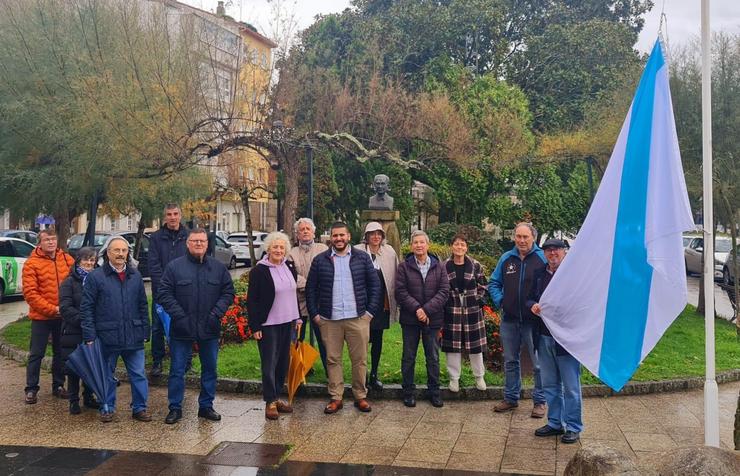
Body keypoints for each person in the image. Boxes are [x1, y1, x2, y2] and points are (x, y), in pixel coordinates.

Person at [158, 228, 235, 424]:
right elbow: (164, 293)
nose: (199, 244)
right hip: (182, 328)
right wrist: (179, 316)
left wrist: (216, 314)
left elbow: (228, 293)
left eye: (202, 241)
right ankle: (175, 408)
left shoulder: (218, 268)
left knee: (210, 369)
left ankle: (206, 406)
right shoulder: (174, 267)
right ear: (188, 243)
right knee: (177, 370)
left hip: (209, 327)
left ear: (207, 244)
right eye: (195, 241)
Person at [306, 221, 381, 414]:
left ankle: (360, 396)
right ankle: (336, 396)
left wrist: (369, 313)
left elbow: (375, 286)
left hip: (358, 318)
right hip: (330, 320)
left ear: (348, 237)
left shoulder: (362, 258)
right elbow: (311, 290)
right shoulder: (320, 260)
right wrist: (315, 315)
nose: (339, 239)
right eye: (335, 235)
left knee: (360, 359)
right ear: (331, 238)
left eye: (342, 235)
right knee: (333, 359)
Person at [81, 236, 151, 423]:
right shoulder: (96, 277)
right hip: (107, 336)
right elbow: (86, 308)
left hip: (133, 336)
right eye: (117, 250)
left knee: (138, 374)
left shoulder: (135, 275)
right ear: (107, 253)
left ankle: (140, 408)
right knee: (106, 374)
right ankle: (107, 407)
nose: (121, 254)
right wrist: (89, 336)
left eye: (124, 250)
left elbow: (143, 305)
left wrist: (146, 330)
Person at [488, 223, 547, 417]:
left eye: (525, 237)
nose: (521, 240)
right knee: (511, 360)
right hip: (510, 319)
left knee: (538, 363)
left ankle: (540, 401)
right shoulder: (506, 258)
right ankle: (511, 398)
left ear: (533, 238)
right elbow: (494, 282)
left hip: (534, 321)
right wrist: (500, 301)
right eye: (518, 236)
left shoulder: (541, 259)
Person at [527, 238, 582, 444]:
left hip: (566, 340)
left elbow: (581, 302)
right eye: (548, 250)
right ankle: (555, 423)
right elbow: (529, 298)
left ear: (564, 252)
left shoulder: (573, 275)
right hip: (543, 336)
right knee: (550, 384)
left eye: (556, 250)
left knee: (571, 387)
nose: (552, 254)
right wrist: (532, 305)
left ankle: (574, 426)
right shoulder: (539, 274)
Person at [247, 232, 302, 420]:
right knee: (269, 363)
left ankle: (277, 396)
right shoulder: (259, 271)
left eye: (281, 247)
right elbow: (252, 301)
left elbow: (293, 295)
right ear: (268, 249)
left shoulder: (289, 266)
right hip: (268, 324)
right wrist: (255, 326)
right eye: (275, 247)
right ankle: (270, 401)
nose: (278, 250)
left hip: (288, 322)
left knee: (282, 363)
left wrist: (298, 319)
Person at [396, 230, 449, 408]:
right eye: (415, 242)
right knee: (408, 356)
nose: (419, 245)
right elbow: (400, 292)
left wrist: (426, 310)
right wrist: (417, 309)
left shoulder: (439, 266)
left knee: (432, 356)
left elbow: (444, 292)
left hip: (433, 319)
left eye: (422, 242)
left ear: (428, 244)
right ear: (412, 246)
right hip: (410, 319)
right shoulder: (404, 266)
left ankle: (434, 392)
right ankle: (408, 392)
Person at [21, 228, 74, 404]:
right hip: (41, 317)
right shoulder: (31, 263)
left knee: (60, 352)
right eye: (46, 240)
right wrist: (53, 309)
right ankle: (31, 388)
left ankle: (58, 385)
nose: (50, 242)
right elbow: (30, 294)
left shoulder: (66, 259)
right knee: (37, 353)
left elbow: (77, 278)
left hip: (63, 317)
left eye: (53, 239)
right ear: (40, 243)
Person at [354, 222, 398, 391]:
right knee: (362, 341)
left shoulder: (389, 252)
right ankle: (362, 374)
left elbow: (395, 275)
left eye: (378, 233)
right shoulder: (357, 251)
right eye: (372, 234)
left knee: (377, 340)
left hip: (381, 305)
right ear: (366, 236)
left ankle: (374, 373)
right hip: (362, 305)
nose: (375, 237)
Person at [442, 233, 488, 393]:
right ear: (452, 246)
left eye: (462, 244)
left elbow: (483, 285)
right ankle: (454, 378)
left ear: (466, 247)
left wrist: (478, 299)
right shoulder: (444, 266)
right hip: (452, 308)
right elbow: (440, 287)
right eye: (456, 244)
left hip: (472, 308)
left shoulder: (475, 265)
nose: (459, 247)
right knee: (452, 346)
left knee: (475, 345)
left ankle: (479, 376)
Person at [148, 203, 189, 377]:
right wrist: (163, 288)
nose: (172, 217)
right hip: (161, 291)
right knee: (157, 327)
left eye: (175, 214)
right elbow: (154, 265)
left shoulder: (188, 236)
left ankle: (186, 361)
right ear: (165, 217)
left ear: (180, 215)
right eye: (169, 214)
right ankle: (157, 361)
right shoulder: (156, 238)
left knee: (184, 324)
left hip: (183, 291)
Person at [59, 247, 100, 414]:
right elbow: (65, 308)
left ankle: (88, 397)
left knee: (91, 365)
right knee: (74, 368)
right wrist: (85, 320)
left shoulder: (99, 279)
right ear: (78, 261)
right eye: (86, 260)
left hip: (94, 331)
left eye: (92, 260)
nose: (89, 263)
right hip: (73, 330)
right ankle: (73, 400)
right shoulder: (69, 282)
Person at [287, 218, 328, 373]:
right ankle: (299, 370)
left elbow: (327, 272)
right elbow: (292, 276)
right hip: (299, 302)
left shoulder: (323, 249)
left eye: (308, 229)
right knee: (297, 338)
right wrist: (311, 285)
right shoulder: (291, 253)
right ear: (297, 234)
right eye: (301, 229)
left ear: (313, 232)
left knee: (324, 339)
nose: (305, 231)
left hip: (320, 302)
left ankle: (330, 373)